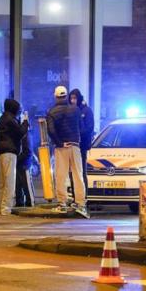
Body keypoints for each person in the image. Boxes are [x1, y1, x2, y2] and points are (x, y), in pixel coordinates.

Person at [47, 85, 89, 218]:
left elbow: (51, 131)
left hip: (62, 147)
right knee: (78, 175)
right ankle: (81, 204)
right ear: (66, 96)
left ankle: (62, 203)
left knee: (61, 175)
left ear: (55, 96)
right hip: (75, 145)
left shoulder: (52, 112)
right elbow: (82, 128)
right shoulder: (76, 110)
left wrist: (59, 143)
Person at [0, 99, 29, 215]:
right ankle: (6, 209)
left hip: (1, 152)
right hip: (9, 152)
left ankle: (0, 207)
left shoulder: (2, 118)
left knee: (2, 183)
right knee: (9, 181)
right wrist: (25, 122)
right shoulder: (10, 119)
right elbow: (20, 132)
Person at [69, 88, 94, 190]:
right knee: (72, 173)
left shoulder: (86, 111)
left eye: (74, 98)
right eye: (71, 98)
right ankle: (75, 196)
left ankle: (83, 197)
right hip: (71, 145)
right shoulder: (70, 110)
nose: (72, 100)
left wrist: (77, 135)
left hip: (82, 145)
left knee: (81, 172)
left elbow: (89, 128)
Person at [15, 115, 35, 207]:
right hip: (22, 163)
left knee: (26, 184)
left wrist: (17, 159)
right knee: (20, 184)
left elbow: (27, 151)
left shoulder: (26, 136)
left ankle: (30, 202)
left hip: (24, 163)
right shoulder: (25, 135)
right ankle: (21, 202)